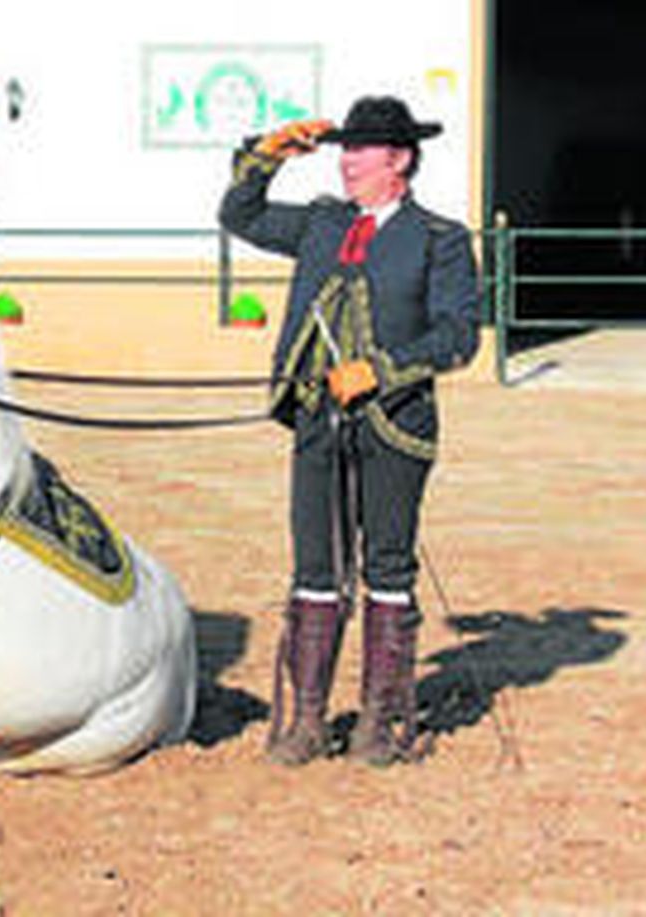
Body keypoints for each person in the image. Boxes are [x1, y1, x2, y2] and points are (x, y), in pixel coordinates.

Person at [218, 97, 480, 766]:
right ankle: (308, 722)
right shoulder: (321, 223)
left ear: (400, 160)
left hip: (395, 427)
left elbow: (458, 335)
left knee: (387, 568)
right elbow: (239, 215)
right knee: (315, 568)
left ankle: (378, 724)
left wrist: (381, 370)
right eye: (344, 149)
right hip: (316, 419)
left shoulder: (440, 238)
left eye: (361, 150)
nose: (347, 161)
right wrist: (267, 155)